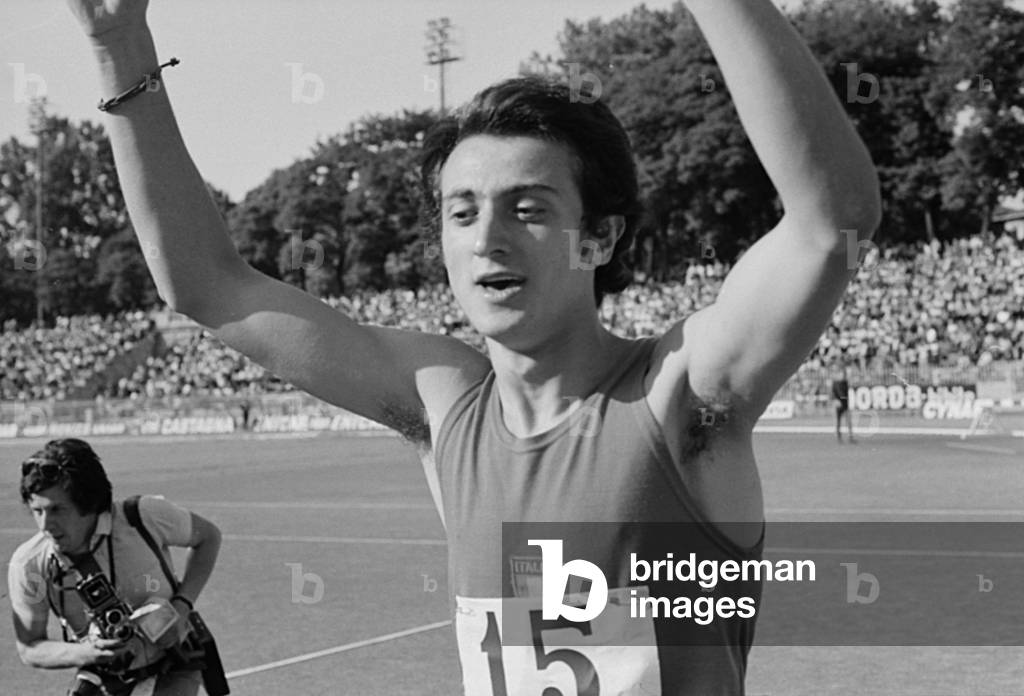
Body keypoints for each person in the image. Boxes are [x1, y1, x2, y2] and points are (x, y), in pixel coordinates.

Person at [65, 0, 880, 692]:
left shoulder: (678, 398)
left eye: (527, 208)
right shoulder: (444, 404)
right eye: (461, 211)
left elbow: (829, 222)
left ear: (597, 238)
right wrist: (116, 43)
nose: (486, 238)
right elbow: (208, 286)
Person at [7, 438, 222, 696]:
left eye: (57, 510)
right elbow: (30, 647)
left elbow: (208, 537)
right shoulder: (30, 564)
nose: (45, 524)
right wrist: (89, 652)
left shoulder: (143, 518)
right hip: (105, 678)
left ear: (87, 503)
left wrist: (182, 606)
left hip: (174, 665)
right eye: (37, 511)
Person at [832, 364, 854, 443]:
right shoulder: (836, 383)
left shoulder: (844, 382)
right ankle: (839, 437)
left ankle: (850, 436)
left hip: (844, 403)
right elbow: (834, 393)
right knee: (838, 421)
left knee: (848, 420)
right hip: (839, 403)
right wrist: (836, 400)